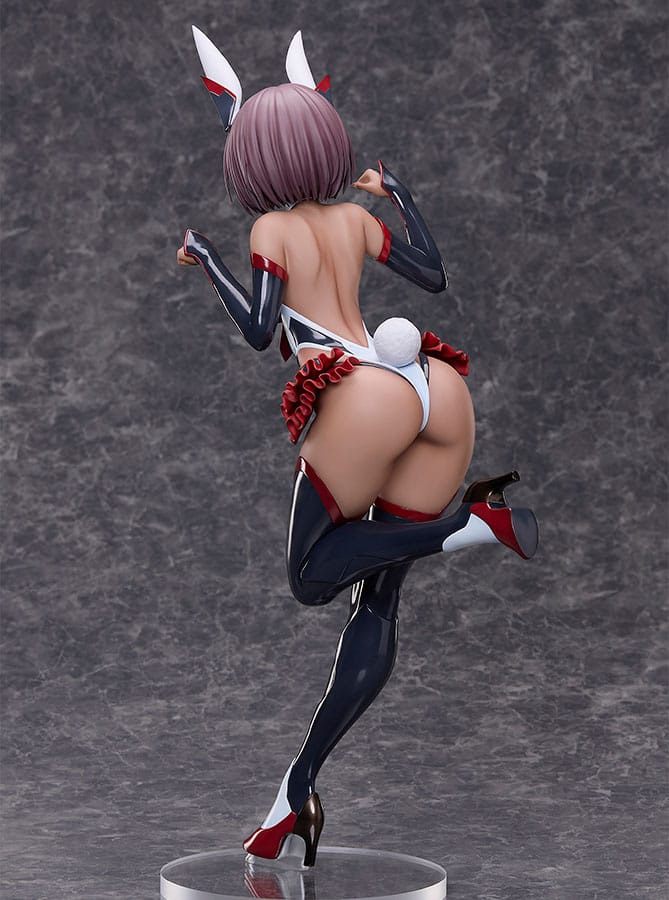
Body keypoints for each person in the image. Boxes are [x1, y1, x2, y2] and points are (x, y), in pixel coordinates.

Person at [177, 29, 538, 868]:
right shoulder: (354, 217)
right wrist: (399, 192)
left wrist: (209, 261)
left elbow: (259, 329)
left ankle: (469, 525)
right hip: (429, 385)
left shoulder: (271, 229)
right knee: (373, 605)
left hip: (360, 399)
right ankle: (292, 797)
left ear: (253, 156)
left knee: (310, 578)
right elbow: (431, 273)